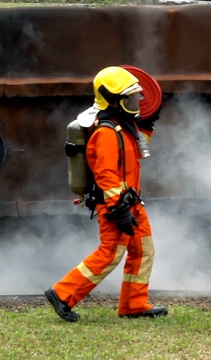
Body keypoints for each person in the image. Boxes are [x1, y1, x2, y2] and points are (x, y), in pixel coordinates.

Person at [45, 66, 167, 322]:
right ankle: (62, 293)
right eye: (130, 98)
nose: (135, 103)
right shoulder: (106, 133)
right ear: (113, 101)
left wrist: (148, 123)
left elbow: (135, 151)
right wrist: (118, 209)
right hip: (116, 206)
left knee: (143, 251)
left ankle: (134, 304)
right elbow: (106, 175)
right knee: (109, 254)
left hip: (131, 203)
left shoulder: (123, 127)